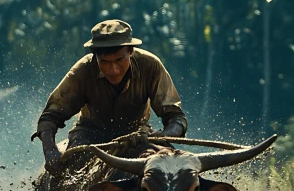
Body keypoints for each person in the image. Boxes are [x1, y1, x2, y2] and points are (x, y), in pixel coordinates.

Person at [32, 19, 188, 174]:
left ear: (131, 51)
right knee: (71, 176)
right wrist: (50, 151)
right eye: (105, 62)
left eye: (120, 60)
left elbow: (176, 118)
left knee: (171, 168)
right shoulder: (83, 71)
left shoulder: (150, 66)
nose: (113, 70)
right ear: (95, 57)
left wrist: (161, 136)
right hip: (90, 136)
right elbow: (50, 117)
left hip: (137, 137)